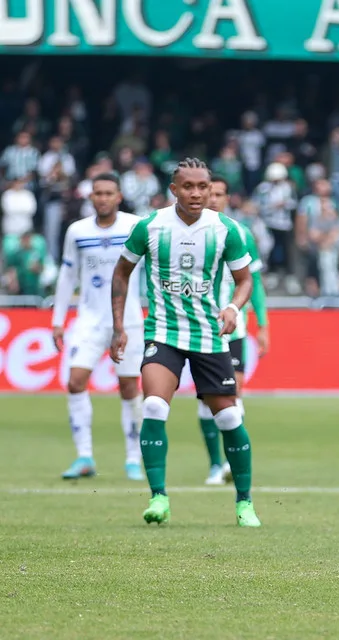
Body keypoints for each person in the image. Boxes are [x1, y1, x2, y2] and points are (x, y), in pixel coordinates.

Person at [109, 158, 261, 527]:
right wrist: (119, 327)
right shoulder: (151, 226)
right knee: (155, 408)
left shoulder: (227, 230)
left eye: (202, 187)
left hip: (209, 335)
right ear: (173, 189)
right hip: (163, 332)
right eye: (188, 186)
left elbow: (245, 281)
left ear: (211, 190)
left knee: (228, 416)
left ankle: (244, 502)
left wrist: (232, 307)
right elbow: (122, 273)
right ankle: (158, 497)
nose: (196, 193)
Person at [52, 172, 145, 481]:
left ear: (118, 196)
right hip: (89, 319)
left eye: (108, 193)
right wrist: (58, 320)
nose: (103, 198)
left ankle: (133, 458)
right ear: (90, 197)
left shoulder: (134, 226)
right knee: (76, 381)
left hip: (129, 319)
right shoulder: (77, 231)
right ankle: (84, 457)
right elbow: (67, 275)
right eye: (97, 193)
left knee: (129, 387)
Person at [199, 175, 269, 486]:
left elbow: (253, 284)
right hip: (200, 328)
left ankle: (229, 462)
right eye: (209, 193)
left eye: (219, 194)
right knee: (206, 400)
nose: (214, 199)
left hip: (235, 327)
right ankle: (215, 463)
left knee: (233, 392)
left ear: (228, 198)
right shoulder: (191, 233)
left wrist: (263, 325)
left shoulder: (241, 233)